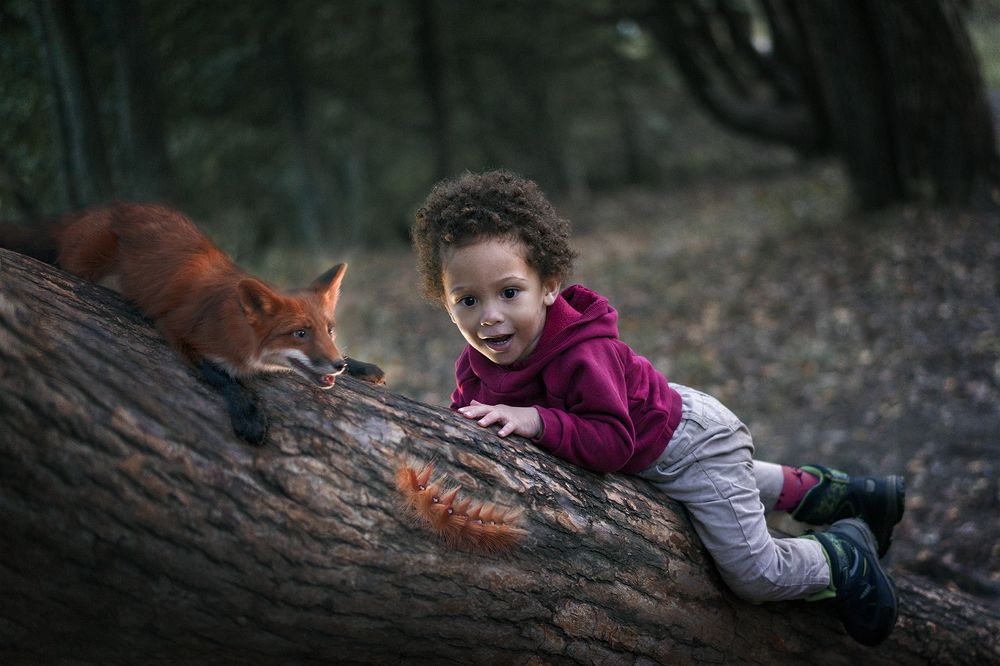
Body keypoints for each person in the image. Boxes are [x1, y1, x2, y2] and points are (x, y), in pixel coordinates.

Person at [411, 169, 904, 647]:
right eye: (467, 301)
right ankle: (843, 493)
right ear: (446, 303)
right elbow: (467, 422)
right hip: (665, 431)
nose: (490, 316)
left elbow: (613, 443)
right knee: (739, 482)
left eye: (509, 292)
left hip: (688, 445)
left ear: (550, 285)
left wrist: (537, 420)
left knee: (754, 573)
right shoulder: (476, 363)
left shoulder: (582, 353)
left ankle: (842, 555)